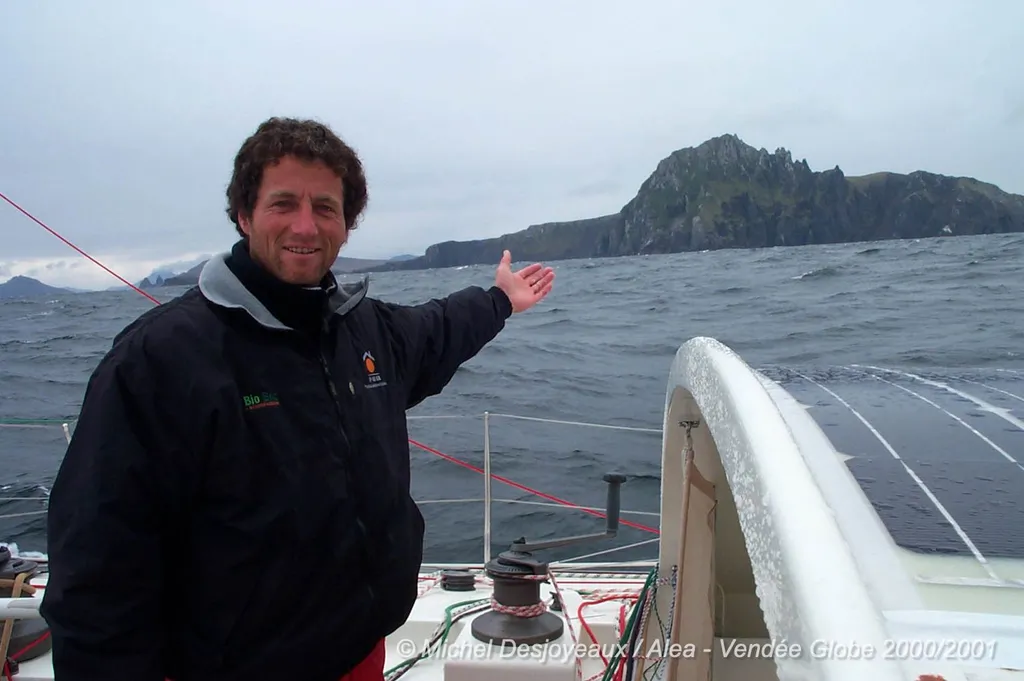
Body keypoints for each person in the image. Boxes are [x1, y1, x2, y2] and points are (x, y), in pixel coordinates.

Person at [39, 116, 555, 681]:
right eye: (283, 203)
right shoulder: (158, 360)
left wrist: (500, 300)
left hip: (360, 649)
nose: (306, 226)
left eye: (325, 208)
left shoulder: (365, 330)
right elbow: (98, 570)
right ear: (244, 214)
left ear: (346, 224)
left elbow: (436, 330)